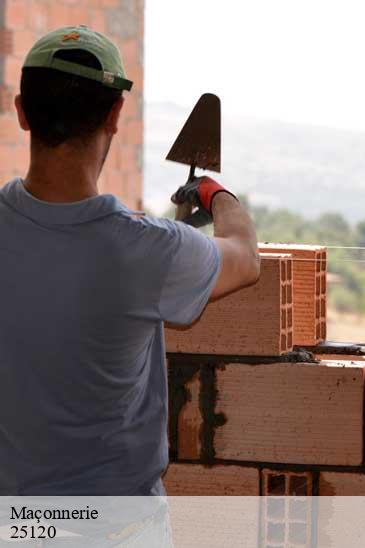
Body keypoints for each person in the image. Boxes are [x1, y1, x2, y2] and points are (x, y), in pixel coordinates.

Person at [0, 25, 259, 496]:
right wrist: (215, 194)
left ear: (21, 112)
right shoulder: (148, 250)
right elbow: (245, 258)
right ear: (115, 115)